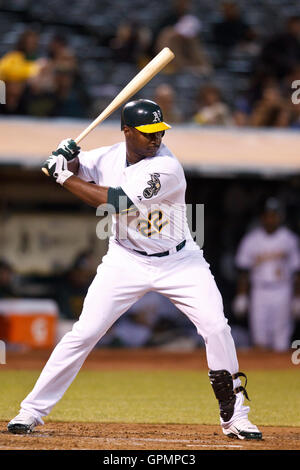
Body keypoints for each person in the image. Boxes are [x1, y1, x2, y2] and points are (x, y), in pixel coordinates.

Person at [8, 99, 262, 440]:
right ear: (127, 131)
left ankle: (236, 418)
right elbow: (80, 166)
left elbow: (117, 201)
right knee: (83, 333)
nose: (155, 139)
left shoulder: (166, 168)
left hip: (179, 262)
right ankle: (31, 411)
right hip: (125, 259)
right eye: (147, 133)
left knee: (217, 327)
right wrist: (66, 156)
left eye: (158, 132)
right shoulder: (110, 155)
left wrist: (62, 176)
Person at [233, 198, 300, 351]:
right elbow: (243, 270)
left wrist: (297, 297)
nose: (270, 219)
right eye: (267, 215)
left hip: (283, 289)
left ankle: (279, 371)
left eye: (274, 215)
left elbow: (297, 271)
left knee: (281, 338)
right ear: (262, 218)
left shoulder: (289, 239)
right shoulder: (251, 240)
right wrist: (242, 296)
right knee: (259, 335)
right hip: (260, 290)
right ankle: (261, 369)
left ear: (279, 217)